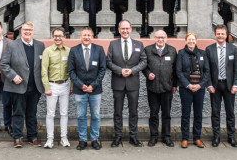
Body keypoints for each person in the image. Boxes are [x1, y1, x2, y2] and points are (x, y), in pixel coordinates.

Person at [0, 22, 45, 148]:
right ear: (21, 30)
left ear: (33, 31)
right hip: (18, 86)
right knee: (18, 112)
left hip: (35, 86)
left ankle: (32, 137)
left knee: (32, 113)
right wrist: (13, 76)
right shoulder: (12, 45)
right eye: (25, 30)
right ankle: (17, 137)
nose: (28, 32)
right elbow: (4, 64)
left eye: (30, 30)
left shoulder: (40, 46)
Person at [107, 19, 147, 147]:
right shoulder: (113, 44)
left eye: (127, 28)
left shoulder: (139, 44)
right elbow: (108, 62)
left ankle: (133, 136)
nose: (125, 31)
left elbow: (143, 61)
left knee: (133, 111)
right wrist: (120, 70)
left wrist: (132, 71)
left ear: (131, 29)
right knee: (118, 112)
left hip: (133, 83)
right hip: (118, 83)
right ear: (119, 30)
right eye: (122, 29)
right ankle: (118, 136)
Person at [68, 27, 106, 150]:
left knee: (95, 115)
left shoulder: (99, 50)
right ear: (80, 37)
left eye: (89, 35)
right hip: (80, 90)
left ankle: (95, 139)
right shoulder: (74, 50)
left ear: (92, 37)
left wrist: (93, 85)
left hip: (95, 90)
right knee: (81, 116)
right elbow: (71, 71)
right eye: (84, 35)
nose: (86, 37)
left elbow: (102, 70)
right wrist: (81, 85)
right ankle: (82, 140)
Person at [206, 25, 237, 148]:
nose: (220, 36)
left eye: (222, 34)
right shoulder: (209, 49)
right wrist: (209, 84)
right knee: (215, 112)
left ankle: (231, 137)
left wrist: (236, 84)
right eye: (218, 33)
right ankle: (216, 137)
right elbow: (207, 70)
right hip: (215, 85)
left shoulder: (233, 49)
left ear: (226, 35)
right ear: (215, 35)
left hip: (229, 85)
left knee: (230, 112)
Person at [143, 30, 177, 147]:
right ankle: (153, 136)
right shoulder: (148, 50)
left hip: (167, 88)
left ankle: (166, 137)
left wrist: (174, 85)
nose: (160, 40)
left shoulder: (172, 51)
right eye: (158, 37)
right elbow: (144, 66)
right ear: (154, 38)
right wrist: (148, 74)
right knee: (153, 113)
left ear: (166, 38)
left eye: (163, 37)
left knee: (166, 114)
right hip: (152, 88)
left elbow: (175, 70)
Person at [176, 32, 209, 148]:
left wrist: (200, 85)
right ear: (185, 41)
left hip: (199, 88)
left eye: (193, 39)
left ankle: (197, 138)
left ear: (196, 41)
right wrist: (188, 85)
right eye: (189, 39)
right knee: (186, 114)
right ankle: (185, 138)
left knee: (198, 113)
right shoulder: (181, 53)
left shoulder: (202, 53)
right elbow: (178, 71)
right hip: (186, 89)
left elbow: (206, 71)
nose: (191, 41)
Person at [41, 27, 71, 149]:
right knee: (50, 114)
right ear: (53, 37)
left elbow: (71, 70)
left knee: (64, 113)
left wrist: (71, 86)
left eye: (60, 36)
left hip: (65, 85)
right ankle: (50, 139)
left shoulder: (69, 51)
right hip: (52, 85)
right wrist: (47, 87)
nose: (58, 38)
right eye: (56, 36)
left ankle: (64, 138)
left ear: (64, 37)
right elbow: (44, 71)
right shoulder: (47, 51)